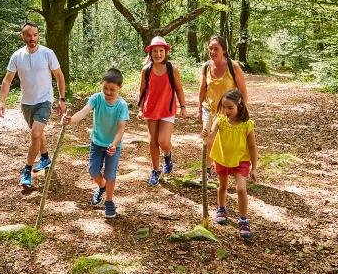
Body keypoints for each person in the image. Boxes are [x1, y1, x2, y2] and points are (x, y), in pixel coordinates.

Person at [0, 22, 66, 188]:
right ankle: (45, 158)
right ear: (23, 36)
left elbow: (59, 76)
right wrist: (2, 101)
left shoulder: (48, 53)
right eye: (28, 35)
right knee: (38, 133)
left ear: (38, 35)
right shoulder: (17, 56)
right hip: (27, 102)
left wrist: (62, 99)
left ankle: (27, 171)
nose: (32, 38)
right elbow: (7, 80)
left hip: (44, 100)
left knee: (35, 134)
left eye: (35, 35)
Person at [62, 68, 129, 218]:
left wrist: (114, 144)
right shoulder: (97, 98)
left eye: (112, 89)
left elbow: (121, 128)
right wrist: (71, 120)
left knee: (110, 174)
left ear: (119, 87)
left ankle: (109, 201)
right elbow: (84, 111)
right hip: (97, 143)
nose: (108, 92)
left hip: (113, 146)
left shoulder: (122, 105)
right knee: (92, 171)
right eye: (105, 88)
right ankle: (102, 186)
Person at [203, 88, 258, 239]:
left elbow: (253, 146)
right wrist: (205, 135)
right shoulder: (220, 121)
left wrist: (254, 167)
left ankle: (243, 220)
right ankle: (221, 209)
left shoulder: (247, 124)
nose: (226, 110)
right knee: (223, 186)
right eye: (223, 107)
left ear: (239, 105)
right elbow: (210, 138)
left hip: (241, 160)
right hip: (222, 158)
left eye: (230, 107)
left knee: (241, 189)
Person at [137, 36, 187, 187]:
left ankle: (167, 155)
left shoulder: (172, 69)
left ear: (166, 52)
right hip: (151, 109)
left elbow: (178, 88)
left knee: (163, 141)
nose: (158, 54)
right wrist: (140, 109)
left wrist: (183, 107)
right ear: (150, 53)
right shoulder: (146, 70)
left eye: (161, 51)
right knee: (153, 141)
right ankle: (155, 170)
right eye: (155, 51)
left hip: (167, 109)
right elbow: (142, 91)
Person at [197, 35, 248, 175]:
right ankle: (207, 171)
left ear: (224, 50)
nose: (212, 52)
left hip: (227, 111)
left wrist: (243, 112)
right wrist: (199, 110)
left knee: (225, 142)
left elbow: (243, 91)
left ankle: (231, 168)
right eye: (210, 48)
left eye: (216, 49)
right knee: (209, 140)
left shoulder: (233, 67)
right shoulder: (206, 67)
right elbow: (202, 89)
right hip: (209, 109)